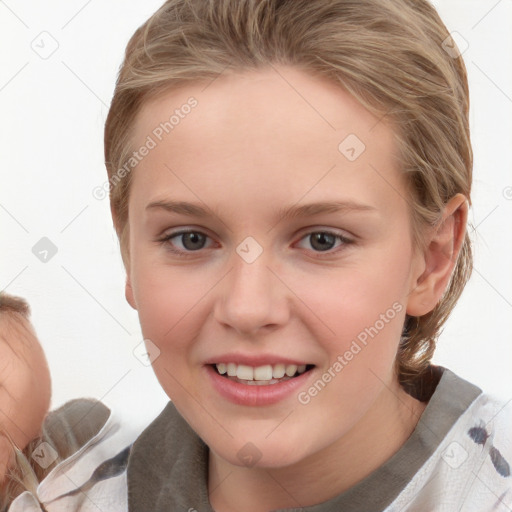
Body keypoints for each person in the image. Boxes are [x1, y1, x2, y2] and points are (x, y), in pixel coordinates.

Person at [7, 0, 512, 510]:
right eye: (191, 239)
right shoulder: (52, 487)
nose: (248, 308)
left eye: (322, 240)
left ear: (432, 257)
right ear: (128, 250)